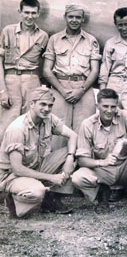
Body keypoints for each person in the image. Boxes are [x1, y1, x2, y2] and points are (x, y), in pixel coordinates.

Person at [72, 88, 127, 222]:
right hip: (104, 170)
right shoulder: (87, 124)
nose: (109, 110)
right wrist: (101, 163)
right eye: (105, 106)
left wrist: (124, 141)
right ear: (97, 106)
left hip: (126, 168)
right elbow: (82, 160)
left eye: (113, 106)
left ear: (117, 106)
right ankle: (101, 193)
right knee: (78, 177)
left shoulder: (125, 116)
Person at [0, 87, 77, 218]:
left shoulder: (49, 119)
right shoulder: (18, 128)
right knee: (36, 191)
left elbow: (73, 135)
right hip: (11, 176)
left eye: (50, 105)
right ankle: (13, 199)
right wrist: (52, 178)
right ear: (32, 104)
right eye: (42, 104)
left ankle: (50, 199)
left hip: (35, 166)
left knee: (74, 153)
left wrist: (70, 158)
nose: (47, 109)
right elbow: (17, 169)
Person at [43, 4, 101, 150]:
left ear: (82, 19)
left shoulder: (91, 40)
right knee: (57, 127)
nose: (74, 20)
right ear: (65, 17)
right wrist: (62, 91)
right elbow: (46, 71)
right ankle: (57, 164)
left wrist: (81, 90)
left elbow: (94, 71)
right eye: (71, 17)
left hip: (84, 87)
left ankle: (81, 163)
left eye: (78, 17)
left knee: (85, 126)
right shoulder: (54, 39)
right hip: (59, 86)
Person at [0, 0, 49, 143]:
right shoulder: (8, 31)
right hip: (11, 79)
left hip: (32, 81)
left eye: (33, 13)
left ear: (38, 14)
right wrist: (2, 91)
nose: (30, 17)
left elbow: (45, 64)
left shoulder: (43, 36)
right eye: (26, 12)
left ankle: (23, 161)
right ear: (20, 12)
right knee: (6, 123)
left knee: (29, 122)